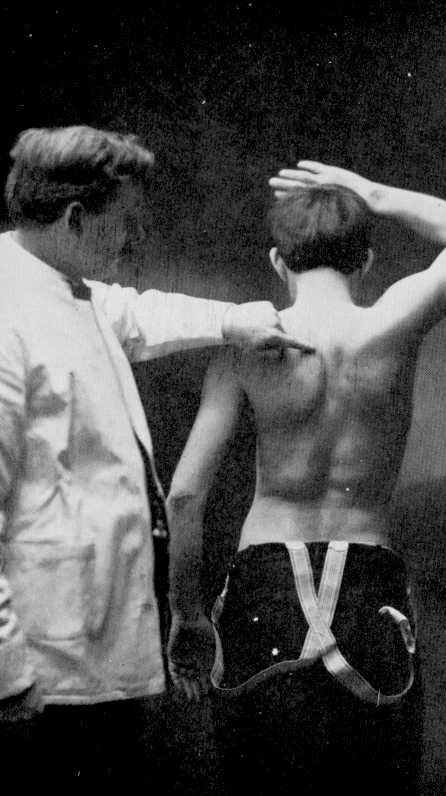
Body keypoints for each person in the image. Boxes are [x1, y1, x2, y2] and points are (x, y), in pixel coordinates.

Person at [0, 125, 312, 788]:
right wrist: (5, 673)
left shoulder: (63, 286)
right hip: (39, 670)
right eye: (126, 221)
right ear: (75, 218)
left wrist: (232, 320)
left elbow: (138, 315)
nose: (136, 238)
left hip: (91, 652)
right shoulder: (7, 311)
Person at [166, 161, 446, 795]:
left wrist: (186, 611)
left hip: (266, 586)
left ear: (278, 261)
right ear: (366, 261)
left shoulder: (244, 346)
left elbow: (185, 495)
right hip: (369, 583)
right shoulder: (394, 323)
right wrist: (373, 193)